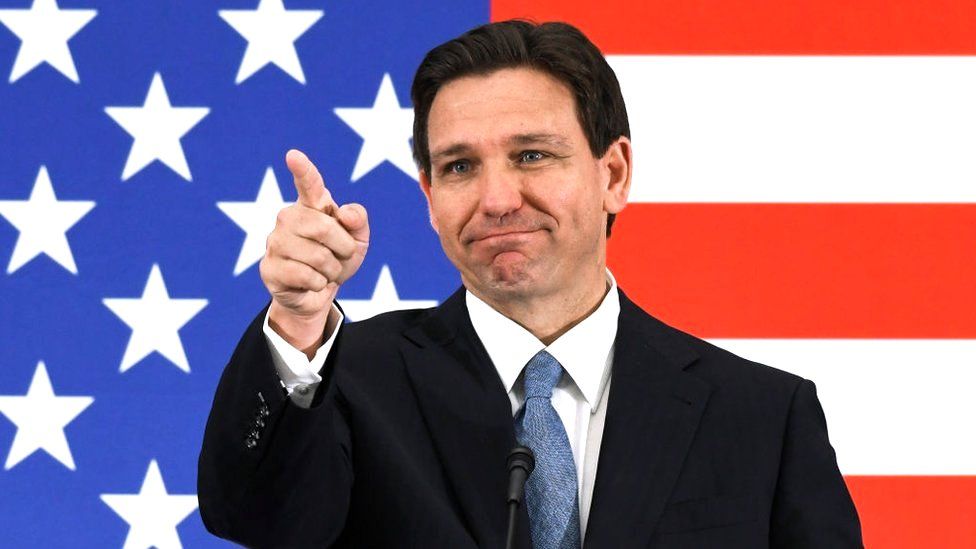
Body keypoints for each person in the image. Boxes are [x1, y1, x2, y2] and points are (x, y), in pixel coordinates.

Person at [198, 20, 863, 548]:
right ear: (430, 198)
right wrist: (298, 321)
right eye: (459, 166)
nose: (496, 197)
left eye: (532, 155)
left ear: (614, 174)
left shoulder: (763, 418)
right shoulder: (346, 383)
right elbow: (252, 515)